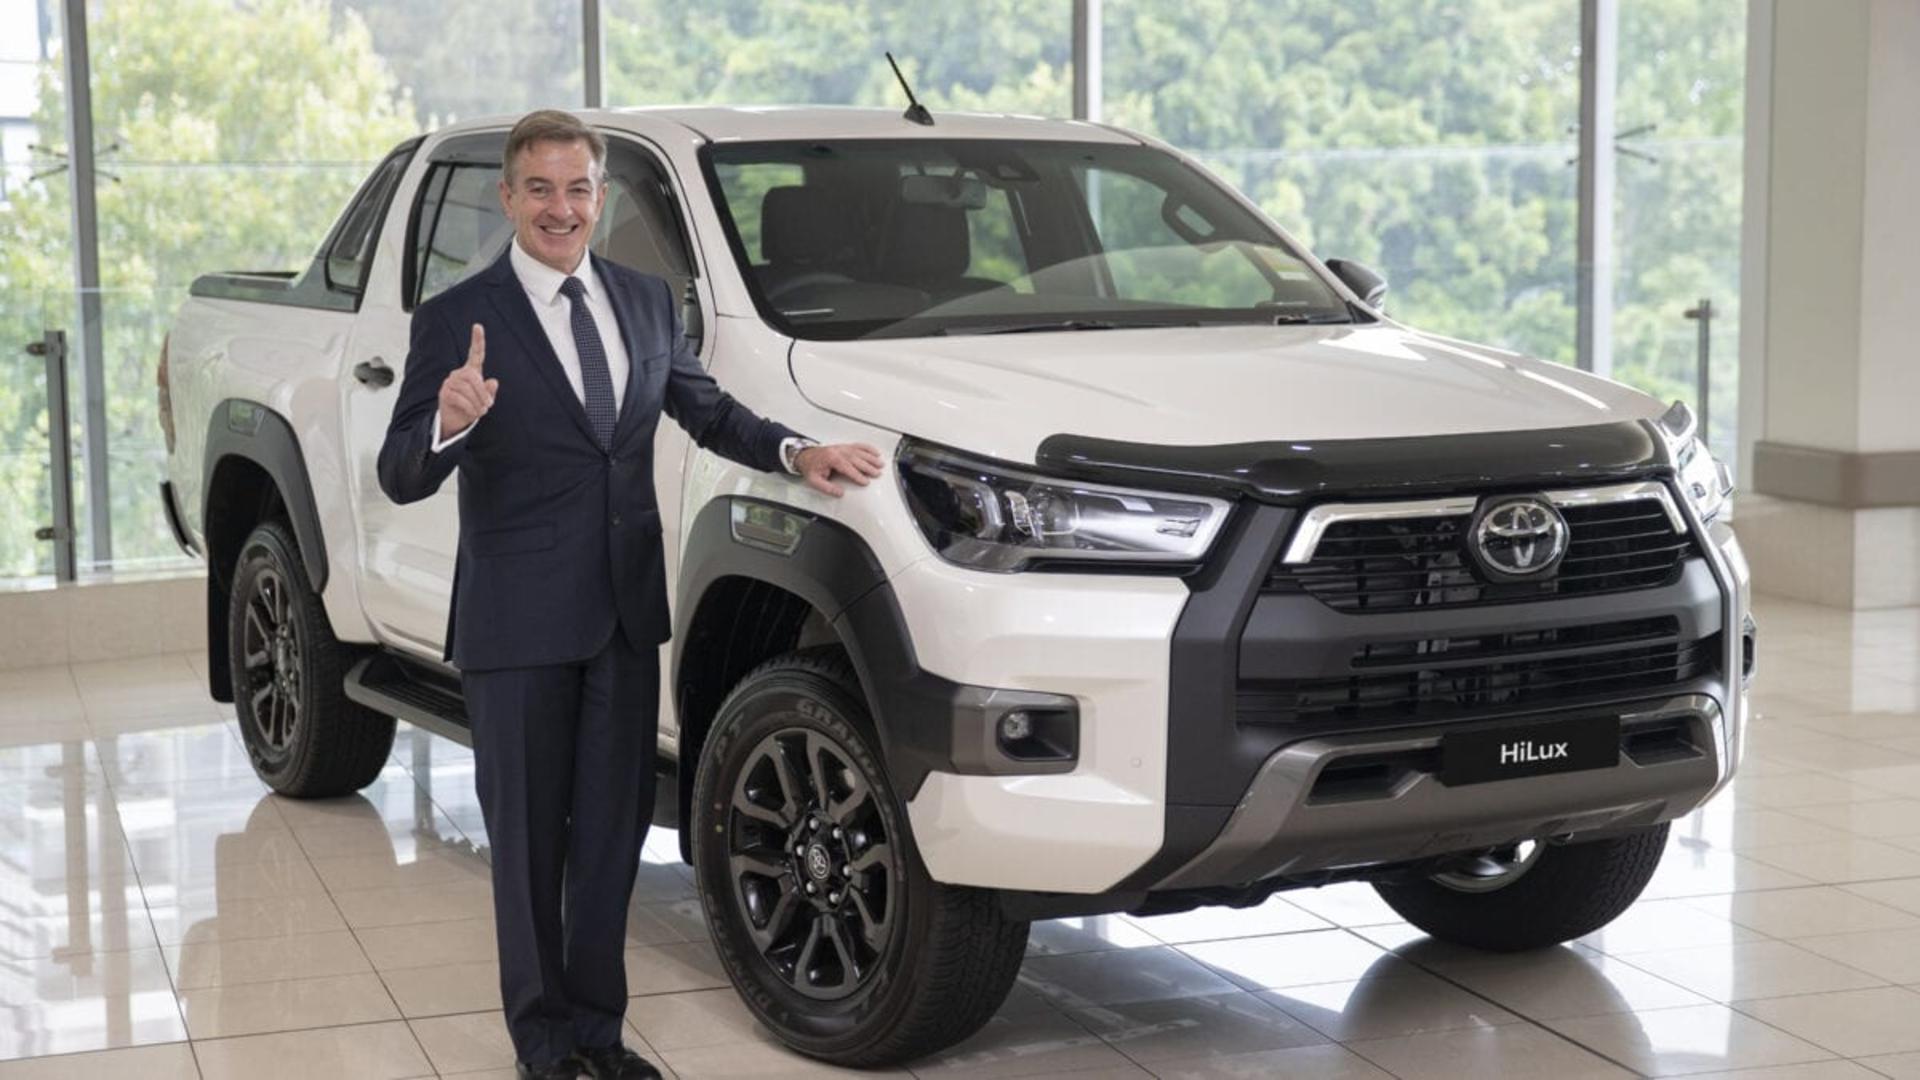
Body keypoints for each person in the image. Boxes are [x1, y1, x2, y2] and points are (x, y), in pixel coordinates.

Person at [378, 109, 885, 1080]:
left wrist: (796, 450)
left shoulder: (644, 300)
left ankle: (601, 1040)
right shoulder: (458, 317)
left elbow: (707, 410)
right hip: (516, 625)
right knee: (527, 853)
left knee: (609, 843)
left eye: (577, 189)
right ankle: (543, 1048)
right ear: (509, 197)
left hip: (620, 616)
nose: (560, 208)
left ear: (599, 197)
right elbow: (401, 474)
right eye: (540, 190)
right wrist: (446, 421)